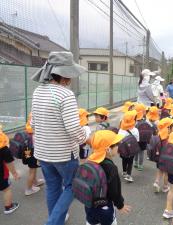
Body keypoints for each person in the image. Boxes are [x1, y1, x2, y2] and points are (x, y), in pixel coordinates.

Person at [31, 51, 90, 225]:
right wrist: (86, 134)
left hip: (42, 152)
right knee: (72, 185)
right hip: (64, 154)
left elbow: (33, 123)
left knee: (52, 187)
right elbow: (73, 128)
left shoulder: (37, 91)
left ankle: (56, 219)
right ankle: (53, 221)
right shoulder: (65, 95)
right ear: (65, 76)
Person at [85, 130, 131, 225]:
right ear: (108, 149)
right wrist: (120, 205)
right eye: (116, 144)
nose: (118, 146)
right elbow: (115, 191)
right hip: (105, 207)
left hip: (89, 205)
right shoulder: (111, 168)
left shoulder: (89, 161)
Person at [0, 126, 20, 215]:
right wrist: (14, 173)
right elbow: (9, 162)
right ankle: (9, 207)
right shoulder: (3, 146)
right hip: (1, 171)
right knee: (6, 189)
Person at [24, 113, 45, 196]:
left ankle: (35, 182)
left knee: (32, 167)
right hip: (33, 151)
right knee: (32, 170)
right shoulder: (35, 132)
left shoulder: (28, 128)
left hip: (28, 151)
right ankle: (28, 189)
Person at [153, 118, 173, 193]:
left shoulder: (159, 134)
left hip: (159, 157)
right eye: (171, 126)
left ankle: (156, 182)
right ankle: (165, 187)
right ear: (168, 127)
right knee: (166, 172)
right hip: (167, 157)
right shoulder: (168, 136)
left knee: (160, 170)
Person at [118, 110, 139, 182]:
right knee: (130, 161)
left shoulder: (121, 129)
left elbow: (119, 139)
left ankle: (124, 172)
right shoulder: (135, 130)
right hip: (131, 149)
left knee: (124, 160)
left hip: (123, 149)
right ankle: (129, 175)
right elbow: (137, 140)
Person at [133, 103, 147, 171]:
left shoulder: (134, 121)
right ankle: (140, 165)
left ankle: (135, 163)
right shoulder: (145, 120)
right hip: (144, 139)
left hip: (136, 139)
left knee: (136, 151)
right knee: (141, 152)